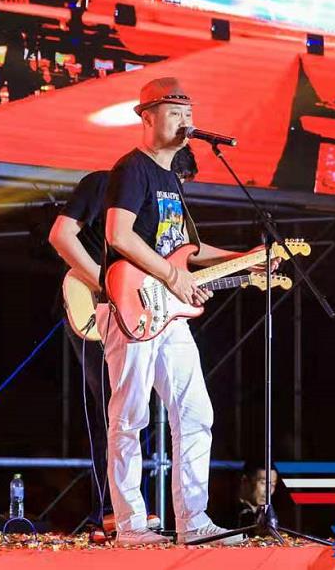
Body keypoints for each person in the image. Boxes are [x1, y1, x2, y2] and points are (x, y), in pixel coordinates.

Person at [99, 77, 262, 546]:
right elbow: (118, 235)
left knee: (195, 413)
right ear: (147, 117)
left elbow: (185, 247)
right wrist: (173, 277)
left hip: (166, 311)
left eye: (188, 114)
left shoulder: (172, 179)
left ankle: (194, 521)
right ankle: (131, 524)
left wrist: (245, 258)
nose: (185, 122)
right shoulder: (133, 168)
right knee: (129, 417)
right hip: (132, 304)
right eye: (174, 113)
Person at [48, 147, 198, 529]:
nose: (178, 189)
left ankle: (134, 510)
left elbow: (176, 257)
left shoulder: (158, 202)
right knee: (114, 405)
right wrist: (104, 282)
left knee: (139, 406)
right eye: (180, 181)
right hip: (99, 302)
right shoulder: (103, 184)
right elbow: (61, 235)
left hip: (140, 309)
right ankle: (110, 511)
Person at [231, 462, 279, 529]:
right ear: (245, 481)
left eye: (273, 485)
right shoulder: (228, 513)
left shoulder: (268, 516)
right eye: (263, 483)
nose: (269, 490)